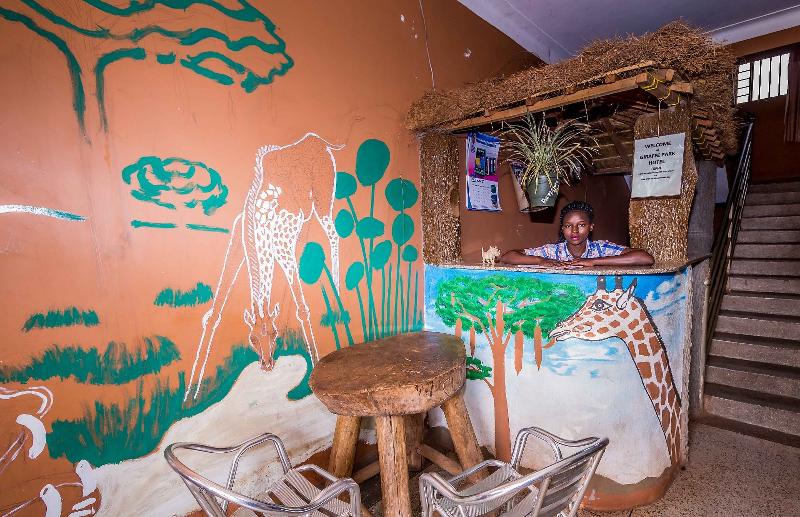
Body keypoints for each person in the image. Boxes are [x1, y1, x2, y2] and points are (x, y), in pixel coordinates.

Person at [500, 201, 654, 267]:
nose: (574, 231)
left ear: (591, 227)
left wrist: (594, 262)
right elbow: (507, 256)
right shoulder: (553, 251)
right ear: (562, 228)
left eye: (581, 225)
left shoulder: (600, 248)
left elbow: (645, 258)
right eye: (568, 226)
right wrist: (541, 260)